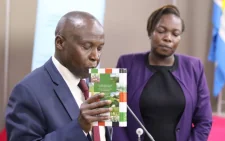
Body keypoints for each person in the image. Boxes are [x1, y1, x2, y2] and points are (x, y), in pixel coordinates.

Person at [5, 11, 112, 141]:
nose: (95, 56)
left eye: (99, 48)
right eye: (87, 47)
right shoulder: (27, 91)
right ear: (60, 43)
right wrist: (79, 127)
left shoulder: (102, 82)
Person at [112, 4, 212, 141]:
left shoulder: (195, 66)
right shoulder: (125, 62)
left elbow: (204, 121)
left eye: (175, 34)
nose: (168, 38)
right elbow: (112, 117)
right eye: (161, 31)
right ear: (150, 31)